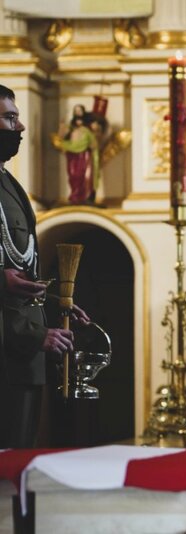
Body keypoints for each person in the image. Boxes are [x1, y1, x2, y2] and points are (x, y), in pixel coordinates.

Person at [0, 85, 89, 448]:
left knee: (17, 459)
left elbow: (18, 267)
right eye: (9, 118)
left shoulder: (9, 183)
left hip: (23, 357)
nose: (20, 127)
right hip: (13, 347)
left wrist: (55, 304)